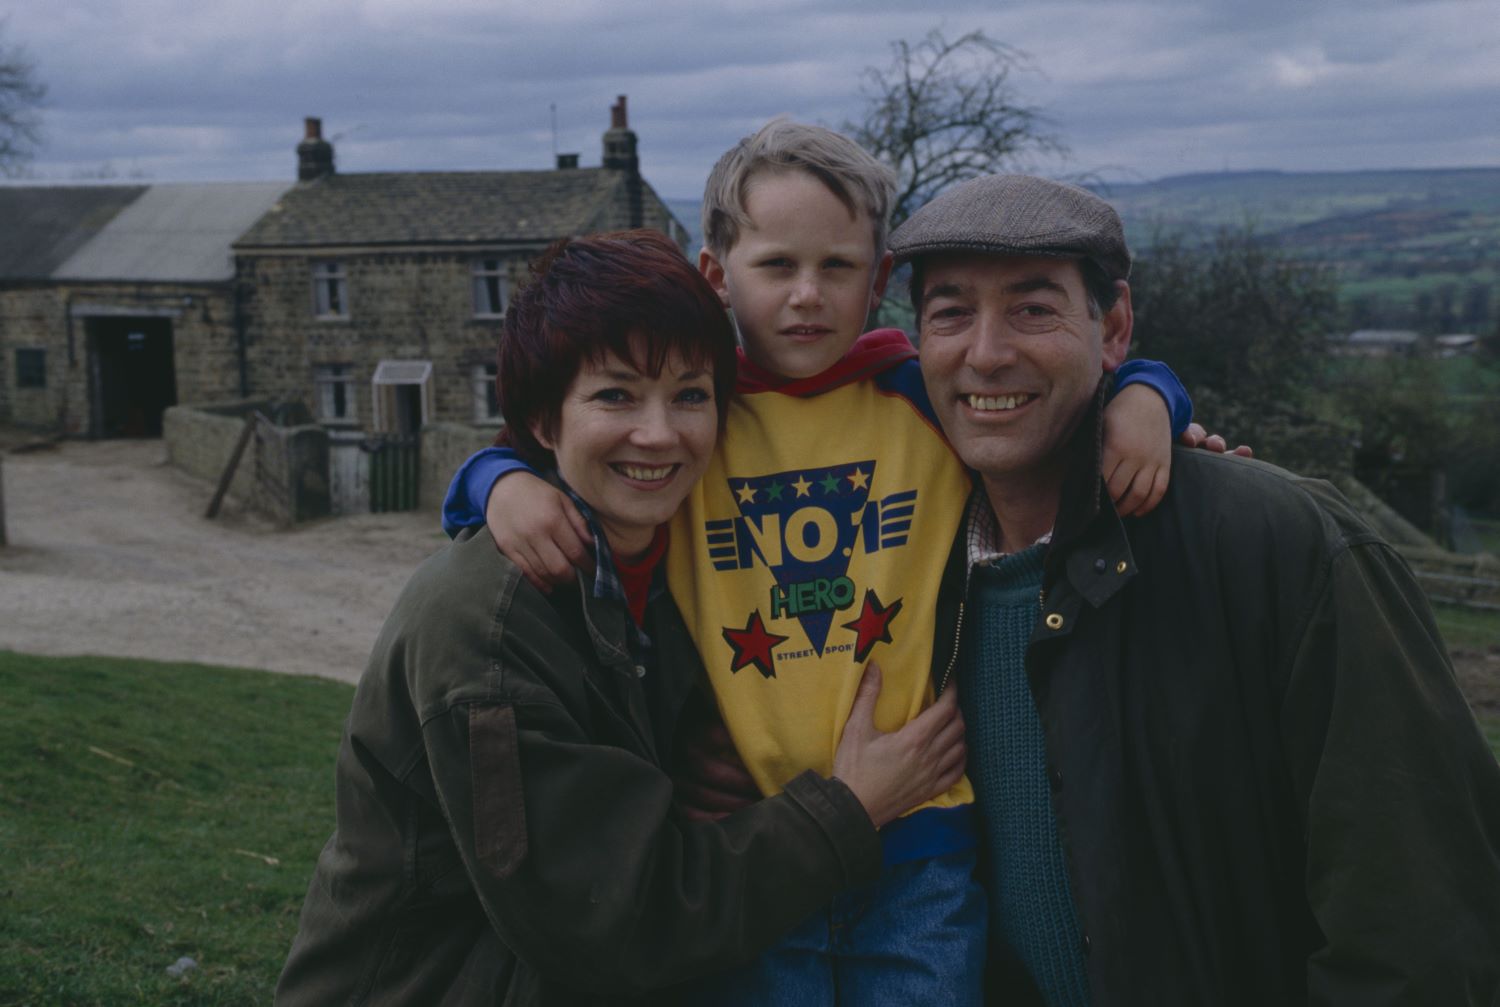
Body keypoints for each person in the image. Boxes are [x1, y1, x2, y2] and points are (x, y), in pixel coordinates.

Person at [443, 121, 1193, 1003]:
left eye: (838, 267)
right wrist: (499, 483)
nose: (807, 295)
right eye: (776, 267)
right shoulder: (694, 413)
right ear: (717, 274)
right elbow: (542, 448)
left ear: (879, 280)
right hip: (757, 847)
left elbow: (1063, 394)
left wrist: (1148, 400)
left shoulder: (919, 395)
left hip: (925, 843)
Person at [274, 230, 970, 1006]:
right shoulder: (487, 629)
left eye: (690, 395)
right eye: (616, 395)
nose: (659, 433)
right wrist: (851, 807)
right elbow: (612, 920)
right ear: (543, 420)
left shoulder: (669, 558)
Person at [888, 172, 1500, 1004]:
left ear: (1113, 329)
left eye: (1034, 309)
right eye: (951, 312)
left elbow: (1416, 921)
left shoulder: (1280, 546)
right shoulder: (905, 577)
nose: (987, 352)